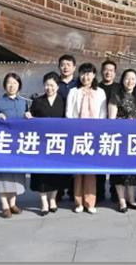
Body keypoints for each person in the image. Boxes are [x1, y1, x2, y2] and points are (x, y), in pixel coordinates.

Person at [67, 63, 108, 214]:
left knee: (91, 170)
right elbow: (69, 113)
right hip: (77, 134)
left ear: (94, 75)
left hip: (94, 135)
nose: (86, 77)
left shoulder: (100, 92)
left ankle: (90, 202)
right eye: (83, 74)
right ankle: (78, 202)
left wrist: (98, 131)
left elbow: (103, 114)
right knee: (78, 171)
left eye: (89, 74)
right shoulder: (73, 91)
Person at [0, 73, 32, 218]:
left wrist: (29, 117)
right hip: (3, 143)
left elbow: (27, 121)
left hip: (18, 144)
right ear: (4, 85)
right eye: (9, 83)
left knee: (16, 174)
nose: (12, 86)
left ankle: (13, 203)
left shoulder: (24, 103)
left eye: (14, 83)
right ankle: (4, 205)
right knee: (2, 174)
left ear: (19, 85)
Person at [107, 69, 136, 213]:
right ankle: (122, 201)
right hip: (120, 138)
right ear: (122, 80)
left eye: (133, 79)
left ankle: (131, 199)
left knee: (133, 170)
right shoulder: (116, 96)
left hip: (135, 139)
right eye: (127, 78)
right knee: (120, 171)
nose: (130, 81)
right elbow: (111, 120)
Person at [29, 72, 68, 215]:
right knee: (41, 174)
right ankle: (44, 202)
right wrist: (28, 115)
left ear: (57, 86)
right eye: (46, 85)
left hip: (57, 142)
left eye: (52, 85)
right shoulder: (37, 101)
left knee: (55, 173)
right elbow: (30, 117)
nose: (49, 88)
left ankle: (53, 199)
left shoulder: (63, 101)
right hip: (41, 143)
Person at [97, 59, 122, 203]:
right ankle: (99, 193)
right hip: (99, 130)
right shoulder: (96, 87)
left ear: (115, 73)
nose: (108, 73)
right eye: (106, 70)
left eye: (111, 70)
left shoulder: (119, 88)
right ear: (101, 72)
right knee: (98, 163)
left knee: (115, 164)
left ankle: (115, 193)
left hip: (116, 131)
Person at [56, 54, 77, 203]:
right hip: (58, 127)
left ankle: (72, 191)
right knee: (58, 160)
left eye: (69, 64)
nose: (65, 67)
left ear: (74, 67)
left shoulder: (79, 83)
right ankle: (57, 191)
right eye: (63, 64)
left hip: (74, 128)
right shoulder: (54, 83)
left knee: (73, 160)